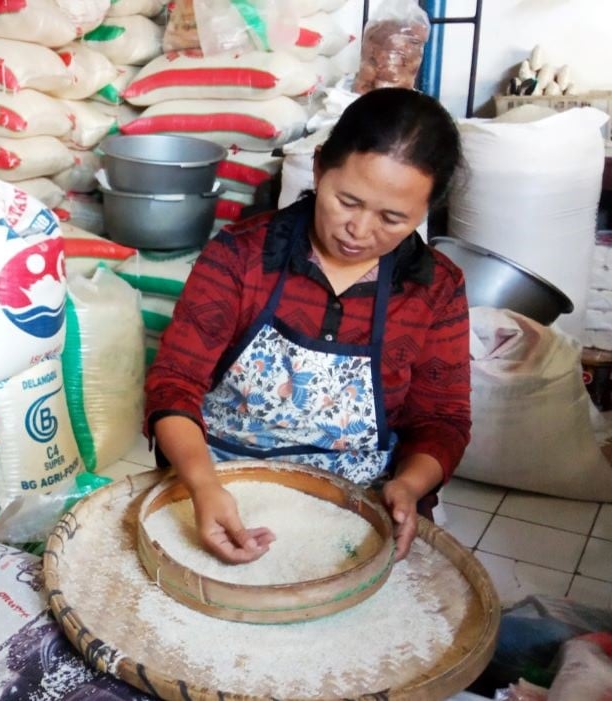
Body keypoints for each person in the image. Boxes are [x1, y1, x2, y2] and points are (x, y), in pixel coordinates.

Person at [145, 88, 470, 564]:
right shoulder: (241, 257)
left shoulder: (435, 287)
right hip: (221, 486)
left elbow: (441, 420)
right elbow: (173, 384)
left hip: (359, 504)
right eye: (347, 201)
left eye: (392, 218)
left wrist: (408, 485)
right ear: (318, 169)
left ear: (425, 212)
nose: (359, 230)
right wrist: (202, 483)